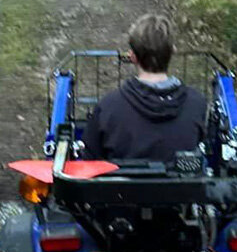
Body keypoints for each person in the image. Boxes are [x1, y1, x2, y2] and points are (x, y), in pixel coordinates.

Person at [82, 15, 207, 163]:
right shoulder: (197, 104)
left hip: (121, 186)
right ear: (172, 52)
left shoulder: (108, 107)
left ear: (132, 57)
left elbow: (89, 162)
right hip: (180, 186)